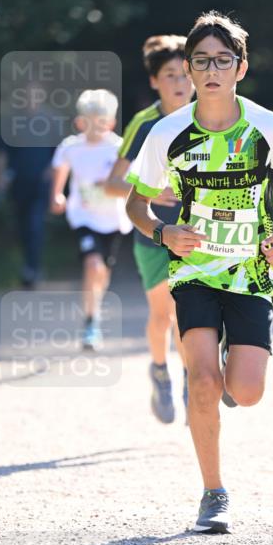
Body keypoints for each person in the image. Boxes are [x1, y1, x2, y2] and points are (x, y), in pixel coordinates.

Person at [125, 11, 273, 535]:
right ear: (188, 69)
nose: (212, 70)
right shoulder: (167, 132)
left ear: (241, 67)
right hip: (193, 271)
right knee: (204, 382)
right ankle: (214, 493)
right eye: (202, 61)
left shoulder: (267, 127)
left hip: (253, 272)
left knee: (247, 391)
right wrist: (162, 233)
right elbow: (136, 206)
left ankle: (236, 360)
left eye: (223, 60)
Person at [104, 35, 193, 424]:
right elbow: (111, 183)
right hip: (154, 233)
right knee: (166, 314)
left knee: (197, 312)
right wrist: (154, 191)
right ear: (155, 81)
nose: (180, 83)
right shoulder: (144, 123)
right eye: (170, 75)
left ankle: (194, 375)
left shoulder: (212, 115)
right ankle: (161, 371)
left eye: (185, 74)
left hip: (200, 234)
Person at [49, 89, 132, 350]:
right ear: (79, 121)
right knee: (93, 265)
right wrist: (57, 195)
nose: (94, 127)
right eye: (88, 121)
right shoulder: (71, 147)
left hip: (113, 219)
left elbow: (131, 181)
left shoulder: (120, 147)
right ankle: (90, 322)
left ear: (111, 122)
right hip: (83, 215)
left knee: (103, 271)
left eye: (101, 121)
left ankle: (94, 308)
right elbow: (60, 169)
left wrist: (111, 185)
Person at [0, 83, 56, 288]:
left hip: (41, 184)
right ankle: (30, 265)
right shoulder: (12, 121)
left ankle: (32, 269)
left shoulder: (51, 120)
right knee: (22, 227)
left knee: (35, 225)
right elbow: (2, 153)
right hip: (18, 183)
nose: (31, 98)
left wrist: (52, 174)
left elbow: (60, 152)